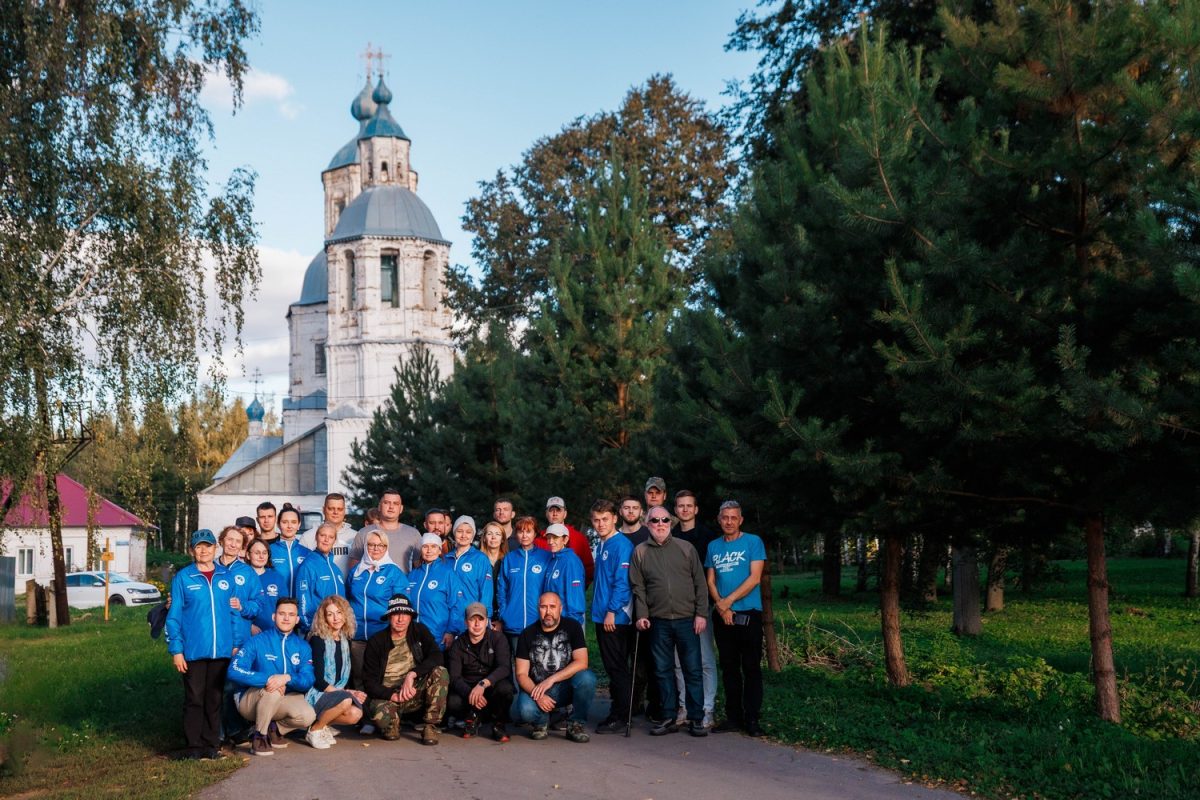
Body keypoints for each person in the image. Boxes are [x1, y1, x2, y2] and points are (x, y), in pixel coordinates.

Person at [630, 506, 709, 737]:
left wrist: (701, 613)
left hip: (687, 620)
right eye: (655, 520)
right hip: (658, 621)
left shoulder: (686, 548)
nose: (660, 524)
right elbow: (638, 587)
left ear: (670, 522)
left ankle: (696, 718)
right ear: (647, 524)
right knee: (662, 670)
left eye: (665, 520)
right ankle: (668, 717)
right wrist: (642, 615)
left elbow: (700, 583)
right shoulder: (640, 552)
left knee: (692, 670)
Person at [165, 529, 238, 760]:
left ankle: (211, 745)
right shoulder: (183, 578)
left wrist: (235, 643)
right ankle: (193, 747)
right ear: (192, 551)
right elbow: (174, 617)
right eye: (199, 546)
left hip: (221, 650)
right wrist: (177, 650)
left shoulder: (226, 576)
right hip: (193, 651)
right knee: (194, 698)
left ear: (216, 548)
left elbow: (234, 613)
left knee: (214, 698)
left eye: (208, 546)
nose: (204, 550)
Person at [706, 501, 767, 737]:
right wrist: (721, 607)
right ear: (719, 519)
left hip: (748, 613)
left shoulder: (753, 542)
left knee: (751, 667)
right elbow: (710, 580)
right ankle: (733, 717)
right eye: (725, 517)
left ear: (740, 520)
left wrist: (727, 601)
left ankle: (752, 718)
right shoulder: (713, 546)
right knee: (729, 667)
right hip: (723, 616)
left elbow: (755, 578)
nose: (729, 521)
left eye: (733, 517)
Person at [228, 596, 316, 756]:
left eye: (291, 615)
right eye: (282, 614)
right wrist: (268, 679)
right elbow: (234, 670)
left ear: (297, 619)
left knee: (308, 715)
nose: (286, 618)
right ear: (274, 616)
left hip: (283, 699)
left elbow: (308, 679)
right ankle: (259, 737)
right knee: (273, 689)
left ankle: (274, 729)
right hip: (250, 700)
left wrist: (287, 678)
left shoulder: (303, 646)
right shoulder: (257, 641)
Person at [361, 594, 450, 746]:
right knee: (381, 718)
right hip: (389, 696)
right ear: (389, 617)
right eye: (396, 614)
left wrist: (412, 674)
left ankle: (430, 726)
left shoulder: (419, 630)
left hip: (413, 690)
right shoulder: (376, 641)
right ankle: (393, 723)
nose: (400, 619)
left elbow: (436, 656)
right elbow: (369, 682)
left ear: (410, 617)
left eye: (405, 614)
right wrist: (393, 696)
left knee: (440, 672)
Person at [512, 592, 595, 743]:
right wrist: (538, 695)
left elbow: (582, 662)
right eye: (543, 607)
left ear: (560, 608)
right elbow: (521, 674)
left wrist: (551, 680)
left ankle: (575, 724)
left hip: (564, 687)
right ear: (538, 609)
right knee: (526, 710)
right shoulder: (527, 633)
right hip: (537, 689)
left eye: (552, 606)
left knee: (587, 678)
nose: (548, 611)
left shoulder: (573, 627)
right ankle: (541, 723)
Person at [671, 489, 720, 728]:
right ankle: (684, 707)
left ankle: (707, 709)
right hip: (675, 608)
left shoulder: (708, 537)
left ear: (696, 509)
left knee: (705, 660)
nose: (685, 509)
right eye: (681, 506)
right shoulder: (670, 535)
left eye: (689, 505)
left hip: (701, 606)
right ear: (675, 510)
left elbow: (711, 575)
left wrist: (705, 606)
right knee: (678, 661)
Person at [589, 499, 635, 734]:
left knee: (617, 668)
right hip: (602, 615)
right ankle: (618, 710)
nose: (601, 524)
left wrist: (611, 611)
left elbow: (622, 583)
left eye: (605, 519)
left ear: (615, 518)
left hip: (614, 618)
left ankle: (621, 716)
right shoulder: (602, 545)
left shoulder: (621, 545)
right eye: (596, 520)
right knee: (612, 667)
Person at [347, 528, 408, 691]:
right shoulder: (356, 571)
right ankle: (360, 706)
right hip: (357, 635)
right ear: (365, 547)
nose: (375, 548)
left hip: (381, 634)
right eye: (371, 544)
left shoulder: (394, 572)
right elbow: (348, 599)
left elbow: (402, 606)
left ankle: (380, 706)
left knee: (380, 677)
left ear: (386, 547)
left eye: (380, 545)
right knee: (358, 676)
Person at [446, 602, 514, 742]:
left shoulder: (498, 638)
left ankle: (498, 723)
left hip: (491, 687)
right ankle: (472, 718)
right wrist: (471, 693)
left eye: (481, 619)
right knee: (453, 701)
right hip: (469, 690)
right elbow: (454, 677)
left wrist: (483, 684)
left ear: (487, 621)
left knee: (506, 688)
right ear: (466, 622)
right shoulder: (458, 645)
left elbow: (504, 667)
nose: (477, 624)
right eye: (472, 619)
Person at [305, 595, 366, 748]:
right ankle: (315, 730)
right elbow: (318, 681)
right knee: (345, 700)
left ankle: (323, 725)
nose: (336, 618)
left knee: (356, 714)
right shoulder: (318, 639)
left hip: (333, 691)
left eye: (339, 612)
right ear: (324, 618)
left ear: (345, 614)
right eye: (330, 614)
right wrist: (347, 693)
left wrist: (349, 691)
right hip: (317, 693)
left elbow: (342, 677)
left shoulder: (345, 639)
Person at [495, 515, 551, 655]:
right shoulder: (509, 558)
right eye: (521, 531)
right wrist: (504, 613)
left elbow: (550, 588)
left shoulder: (545, 557)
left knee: (539, 661)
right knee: (518, 661)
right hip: (514, 623)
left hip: (538, 622)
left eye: (529, 531)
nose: (524, 535)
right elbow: (502, 589)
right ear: (516, 534)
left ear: (535, 533)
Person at [406, 532, 461, 649]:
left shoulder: (448, 573)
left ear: (440, 550)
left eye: (433, 546)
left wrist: (450, 631)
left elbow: (456, 605)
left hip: (437, 635)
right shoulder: (413, 575)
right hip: (413, 635)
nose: (429, 550)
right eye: (425, 546)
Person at [349, 489, 421, 572]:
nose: (391, 507)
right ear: (379, 506)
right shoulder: (364, 533)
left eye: (395, 503)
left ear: (401, 508)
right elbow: (354, 568)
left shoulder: (413, 534)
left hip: (403, 580)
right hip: (371, 580)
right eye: (386, 503)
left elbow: (419, 568)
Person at [215, 526, 262, 652]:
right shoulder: (209, 568)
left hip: (239, 639)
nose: (233, 544)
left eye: (238, 541)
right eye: (230, 539)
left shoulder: (248, 572)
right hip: (212, 636)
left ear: (242, 546)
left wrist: (242, 607)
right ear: (221, 541)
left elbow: (258, 604)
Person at [296, 522, 347, 632]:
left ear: (334, 541)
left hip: (337, 630)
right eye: (323, 535)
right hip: (318, 630)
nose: (326, 540)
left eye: (331, 537)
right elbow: (302, 601)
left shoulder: (336, 569)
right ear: (316, 537)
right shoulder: (308, 565)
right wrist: (310, 628)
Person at [538, 496, 594, 586]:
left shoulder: (579, 538)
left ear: (565, 514)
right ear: (546, 514)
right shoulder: (538, 540)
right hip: (544, 592)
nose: (555, 514)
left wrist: (576, 587)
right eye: (551, 510)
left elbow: (589, 569)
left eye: (558, 510)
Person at [444, 515, 494, 616]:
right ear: (454, 533)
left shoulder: (480, 558)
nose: (463, 535)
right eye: (459, 531)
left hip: (470, 616)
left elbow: (486, 590)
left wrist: (485, 615)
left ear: (472, 535)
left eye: (468, 532)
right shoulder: (445, 559)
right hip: (446, 616)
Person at [300, 493, 357, 577]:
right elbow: (302, 570)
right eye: (331, 509)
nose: (335, 512)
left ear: (344, 511)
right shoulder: (308, 537)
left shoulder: (355, 536)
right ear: (323, 510)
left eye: (340, 509)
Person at [542, 523, 586, 626]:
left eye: (555, 538)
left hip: (567, 622)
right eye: (548, 538)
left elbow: (575, 597)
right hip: (553, 621)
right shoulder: (553, 560)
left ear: (565, 539)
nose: (550, 542)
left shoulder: (571, 562)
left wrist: (572, 626)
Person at [245, 539, 285, 635]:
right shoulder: (242, 578)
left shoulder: (276, 577)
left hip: (273, 633)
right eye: (257, 553)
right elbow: (235, 607)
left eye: (264, 553)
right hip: (249, 634)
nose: (261, 556)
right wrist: (248, 626)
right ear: (248, 555)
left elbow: (285, 606)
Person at [269, 504, 310, 596]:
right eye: (285, 522)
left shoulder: (307, 553)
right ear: (278, 524)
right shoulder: (269, 550)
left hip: (300, 602)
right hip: (277, 602)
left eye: (293, 522)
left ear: (299, 525)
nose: (289, 526)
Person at [479, 521, 508, 622]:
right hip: (481, 613)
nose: (493, 537)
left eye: (497, 534)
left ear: (503, 539)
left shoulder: (508, 560)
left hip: (503, 613)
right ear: (484, 538)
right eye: (489, 534)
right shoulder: (477, 560)